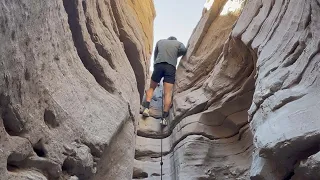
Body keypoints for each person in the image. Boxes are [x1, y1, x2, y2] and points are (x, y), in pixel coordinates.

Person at [142, 36, 187, 126]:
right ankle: (164, 118)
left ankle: (146, 108)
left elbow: (155, 55)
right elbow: (183, 50)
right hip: (170, 67)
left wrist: (156, 65)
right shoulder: (178, 43)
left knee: (151, 88)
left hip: (158, 65)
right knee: (167, 93)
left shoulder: (160, 41)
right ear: (175, 40)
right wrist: (175, 55)